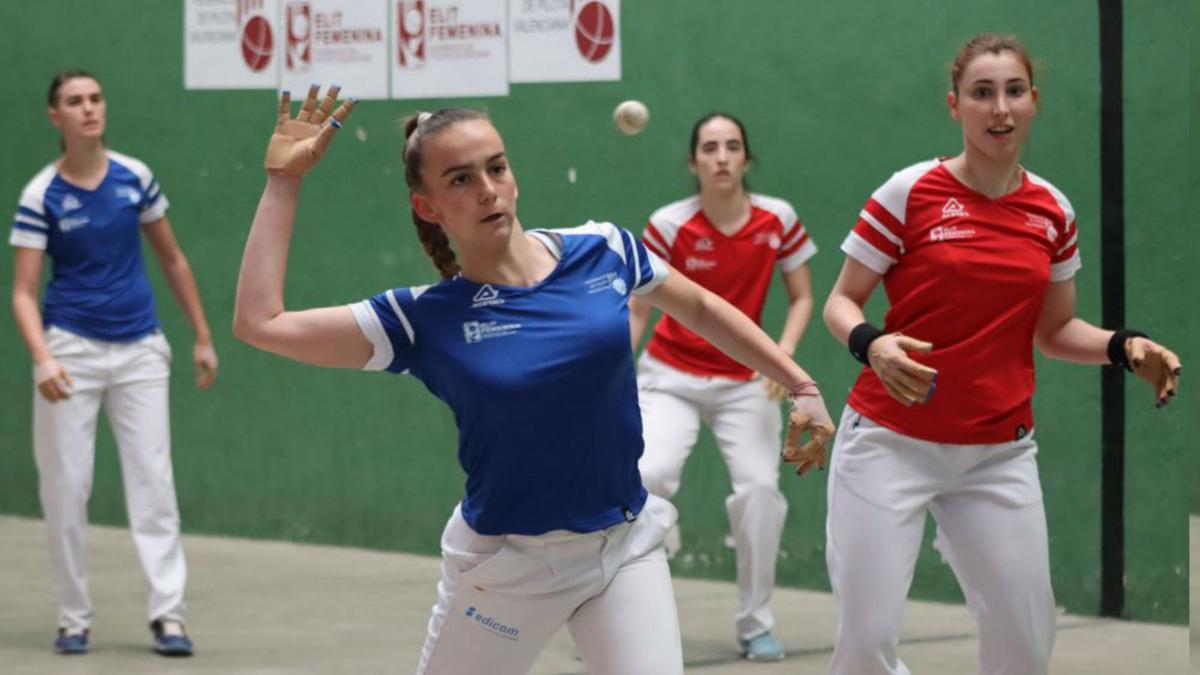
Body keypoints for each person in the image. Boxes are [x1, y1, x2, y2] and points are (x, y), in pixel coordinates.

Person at [232, 86, 834, 675]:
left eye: (496, 168)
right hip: (508, 567)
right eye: (461, 179)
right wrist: (284, 182)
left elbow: (700, 308)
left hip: (623, 548)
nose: (488, 190)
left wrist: (801, 384)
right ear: (428, 206)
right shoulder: (420, 319)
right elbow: (260, 322)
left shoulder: (603, 251)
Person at [820, 33, 1182, 675]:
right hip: (889, 440)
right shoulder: (909, 193)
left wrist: (1125, 347)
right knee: (866, 644)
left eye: (1014, 91)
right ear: (954, 104)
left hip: (997, 454)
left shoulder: (1051, 210)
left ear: (1034, 101)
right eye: (981, 93)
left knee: (1025, 641)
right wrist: (871, 344)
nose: (999, 108)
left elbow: (1055, 329)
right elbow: (840, 303)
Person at [10, 70, 219, 657]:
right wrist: (43, 358)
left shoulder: (135, 178)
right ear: (56, 117)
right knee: (66, 487)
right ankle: (73, 616)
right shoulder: (40, 195)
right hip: (69, 354)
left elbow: (173, 261)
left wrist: (202, 335)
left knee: (154, 483)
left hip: (140, 351)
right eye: (75, 102)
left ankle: (169, 617)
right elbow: (24, 293)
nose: (88, 109)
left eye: (96, 98)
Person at [627, 112, 817, 662]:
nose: (721, 157)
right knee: (647, 475)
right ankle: (624, 608)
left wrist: (780, 360)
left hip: (744, 382)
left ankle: (756, 624)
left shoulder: (777, 219)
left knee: (760, 492)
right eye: (709, 148)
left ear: (746, 159)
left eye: (732, 146)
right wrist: (615, 370)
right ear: (694, 163)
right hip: (669, 376)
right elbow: (640, 308)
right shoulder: (668, 224)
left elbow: (803, 296)